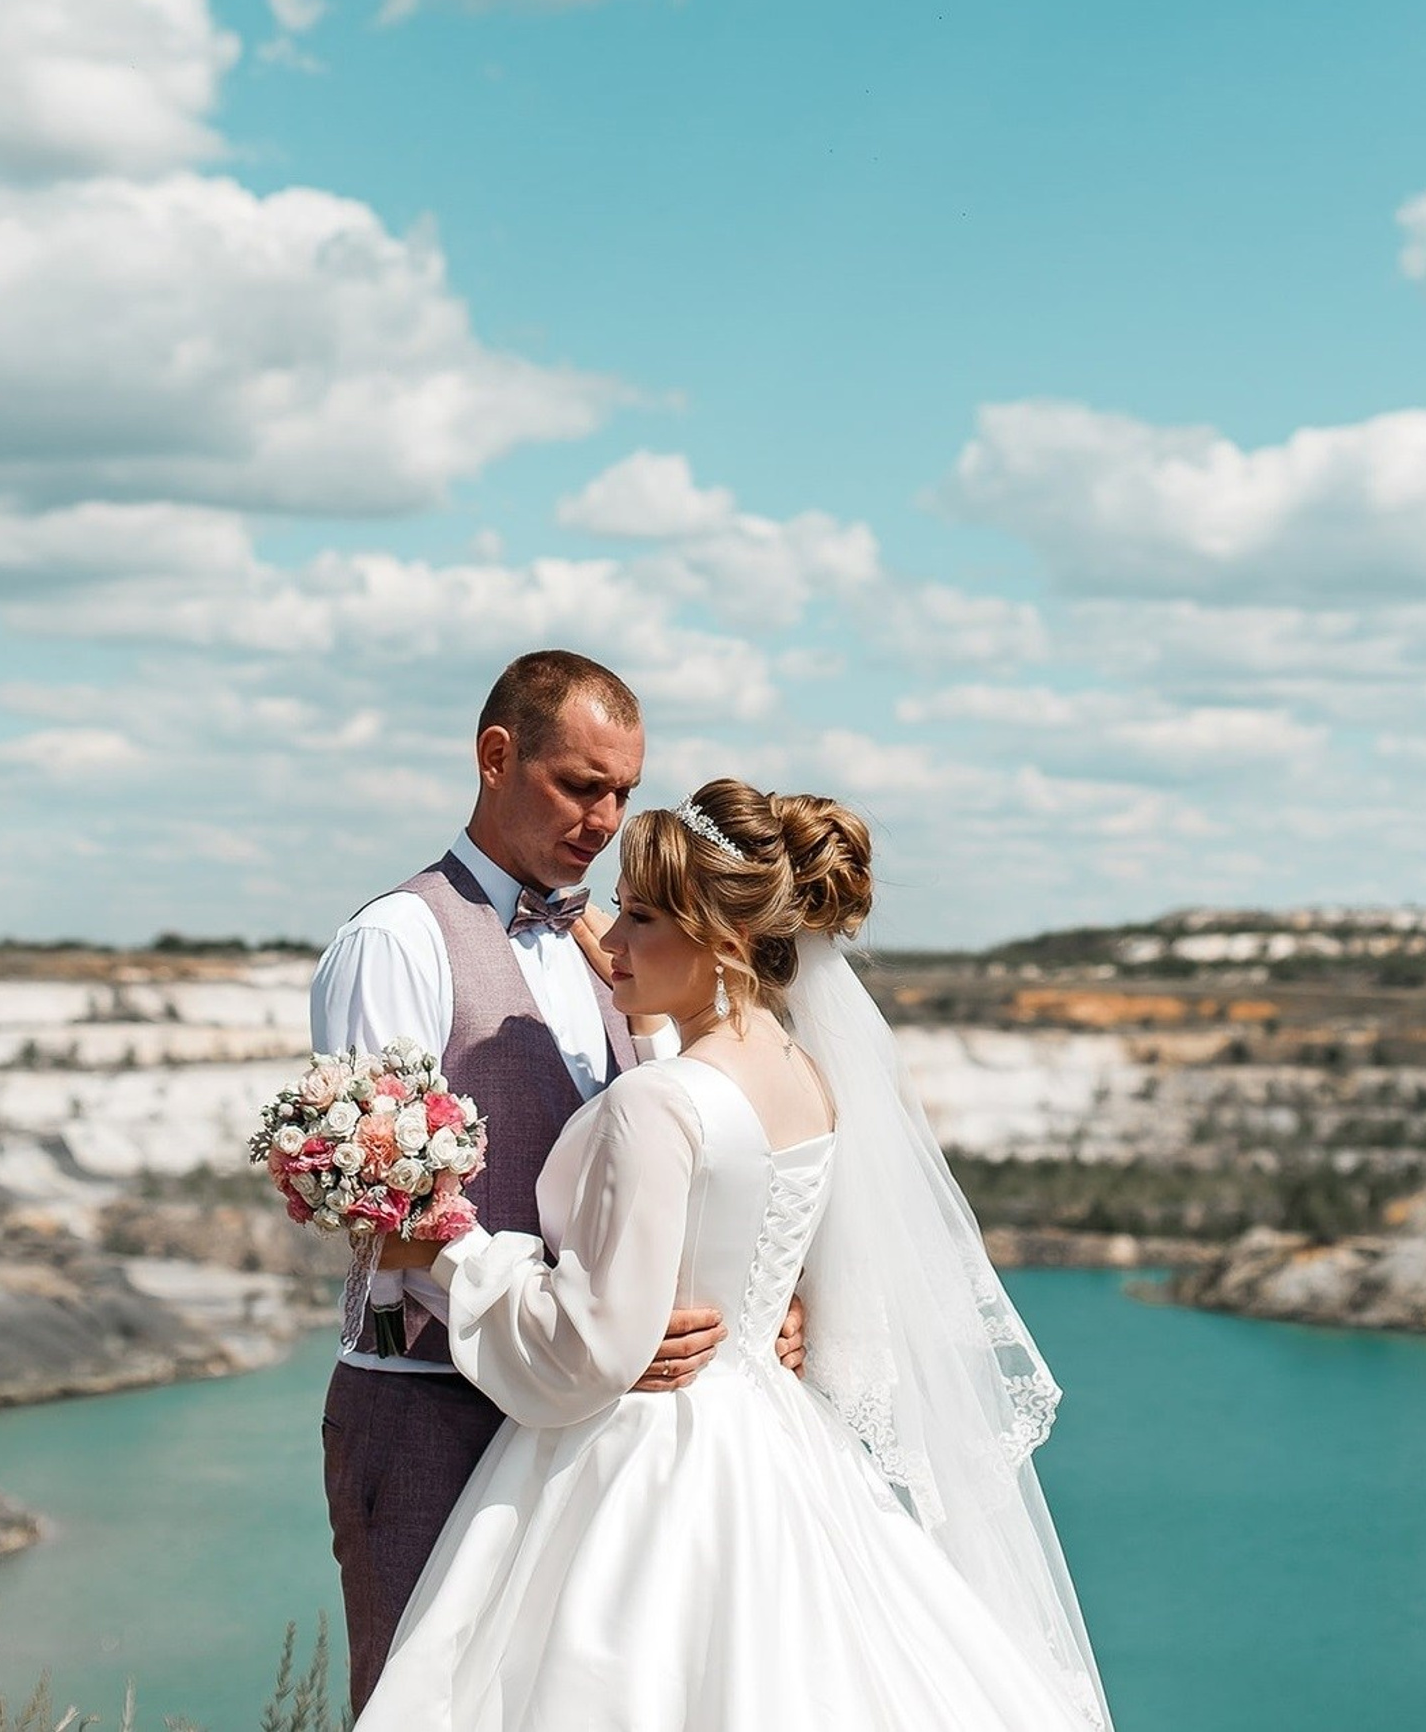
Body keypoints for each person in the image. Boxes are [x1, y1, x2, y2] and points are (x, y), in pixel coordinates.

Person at [356, 778, 1115, 1731]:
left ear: (717, 941)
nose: (611, 943)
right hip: (779, 1442)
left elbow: (588, 1353)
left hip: (646, 1463)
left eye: (637, 918)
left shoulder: (658, 1103)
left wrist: (443, 1251)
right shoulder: (806, 1075)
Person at [312, 656, 808, 1718]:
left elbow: (701, 1152)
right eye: (581, 785)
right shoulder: (398, 941)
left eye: (624, 790)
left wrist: (758, 1300)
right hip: (435, 1414)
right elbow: (383, 1212)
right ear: (497, 757)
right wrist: (589, 1346)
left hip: (610, 1444)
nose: (606, 816)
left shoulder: (617, 947)